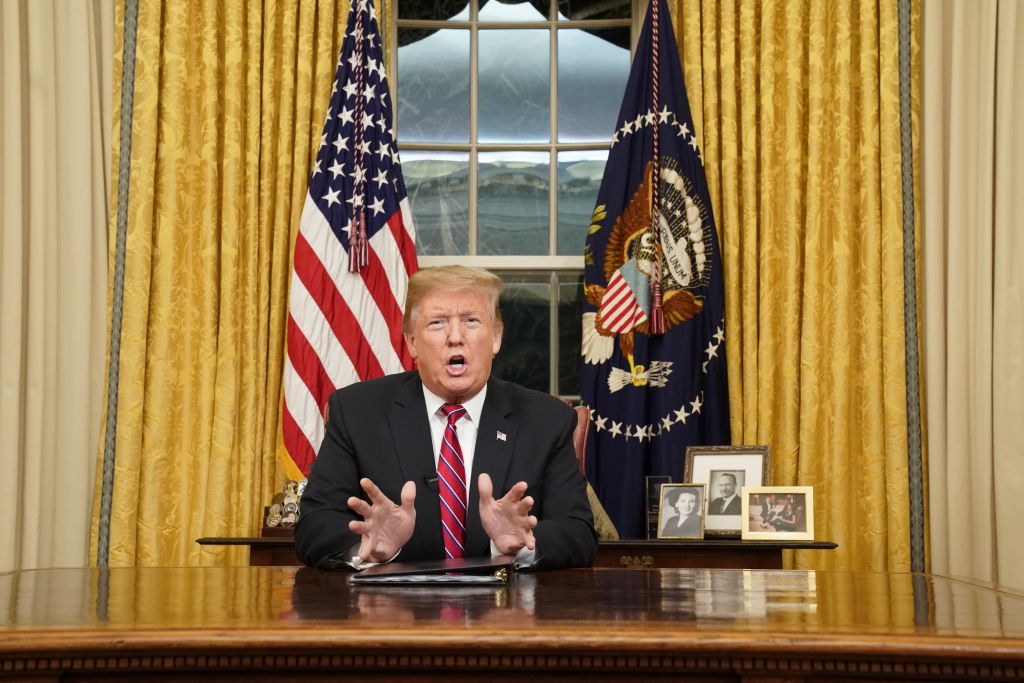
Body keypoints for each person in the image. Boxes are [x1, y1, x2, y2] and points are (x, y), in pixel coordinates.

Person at [294, 266, 598, 571]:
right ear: (412, 342)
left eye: (471, 320)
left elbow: (578, 533)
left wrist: (520, 544)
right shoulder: (357, 412)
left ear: (496, 338)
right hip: (392, 612)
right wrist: (367, 549)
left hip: (507, 611)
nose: (455, 337)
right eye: (438, 323)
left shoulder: (546, 420)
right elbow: (313, 526)